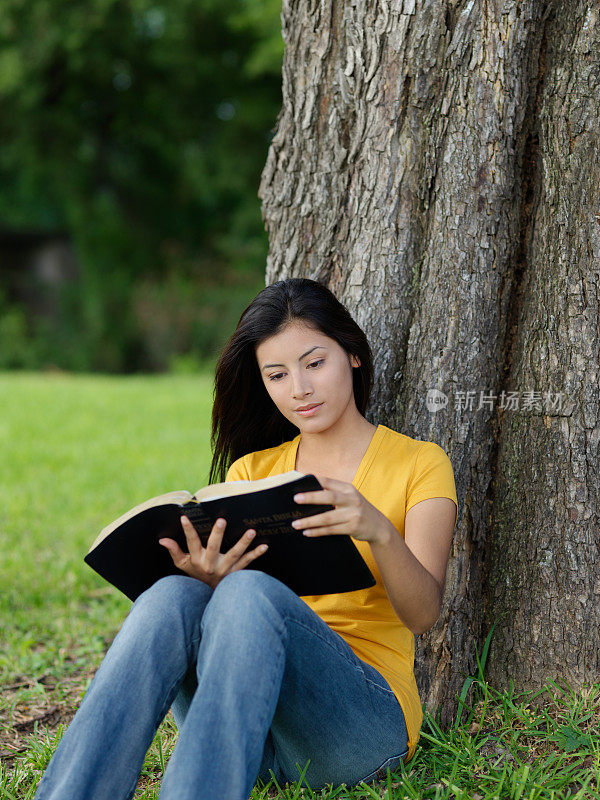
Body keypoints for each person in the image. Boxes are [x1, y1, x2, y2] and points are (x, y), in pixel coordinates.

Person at [33, 277, 458, 800]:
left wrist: (377, 529)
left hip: (359, 727)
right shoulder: (252, 471)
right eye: (276, 375)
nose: (298, 389)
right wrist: (210, 579)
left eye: (314, 363)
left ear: (352, 355)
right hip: (247, 735)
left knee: (250, 594)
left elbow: (423, 615)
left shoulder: (420, 463)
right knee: (175, 594)